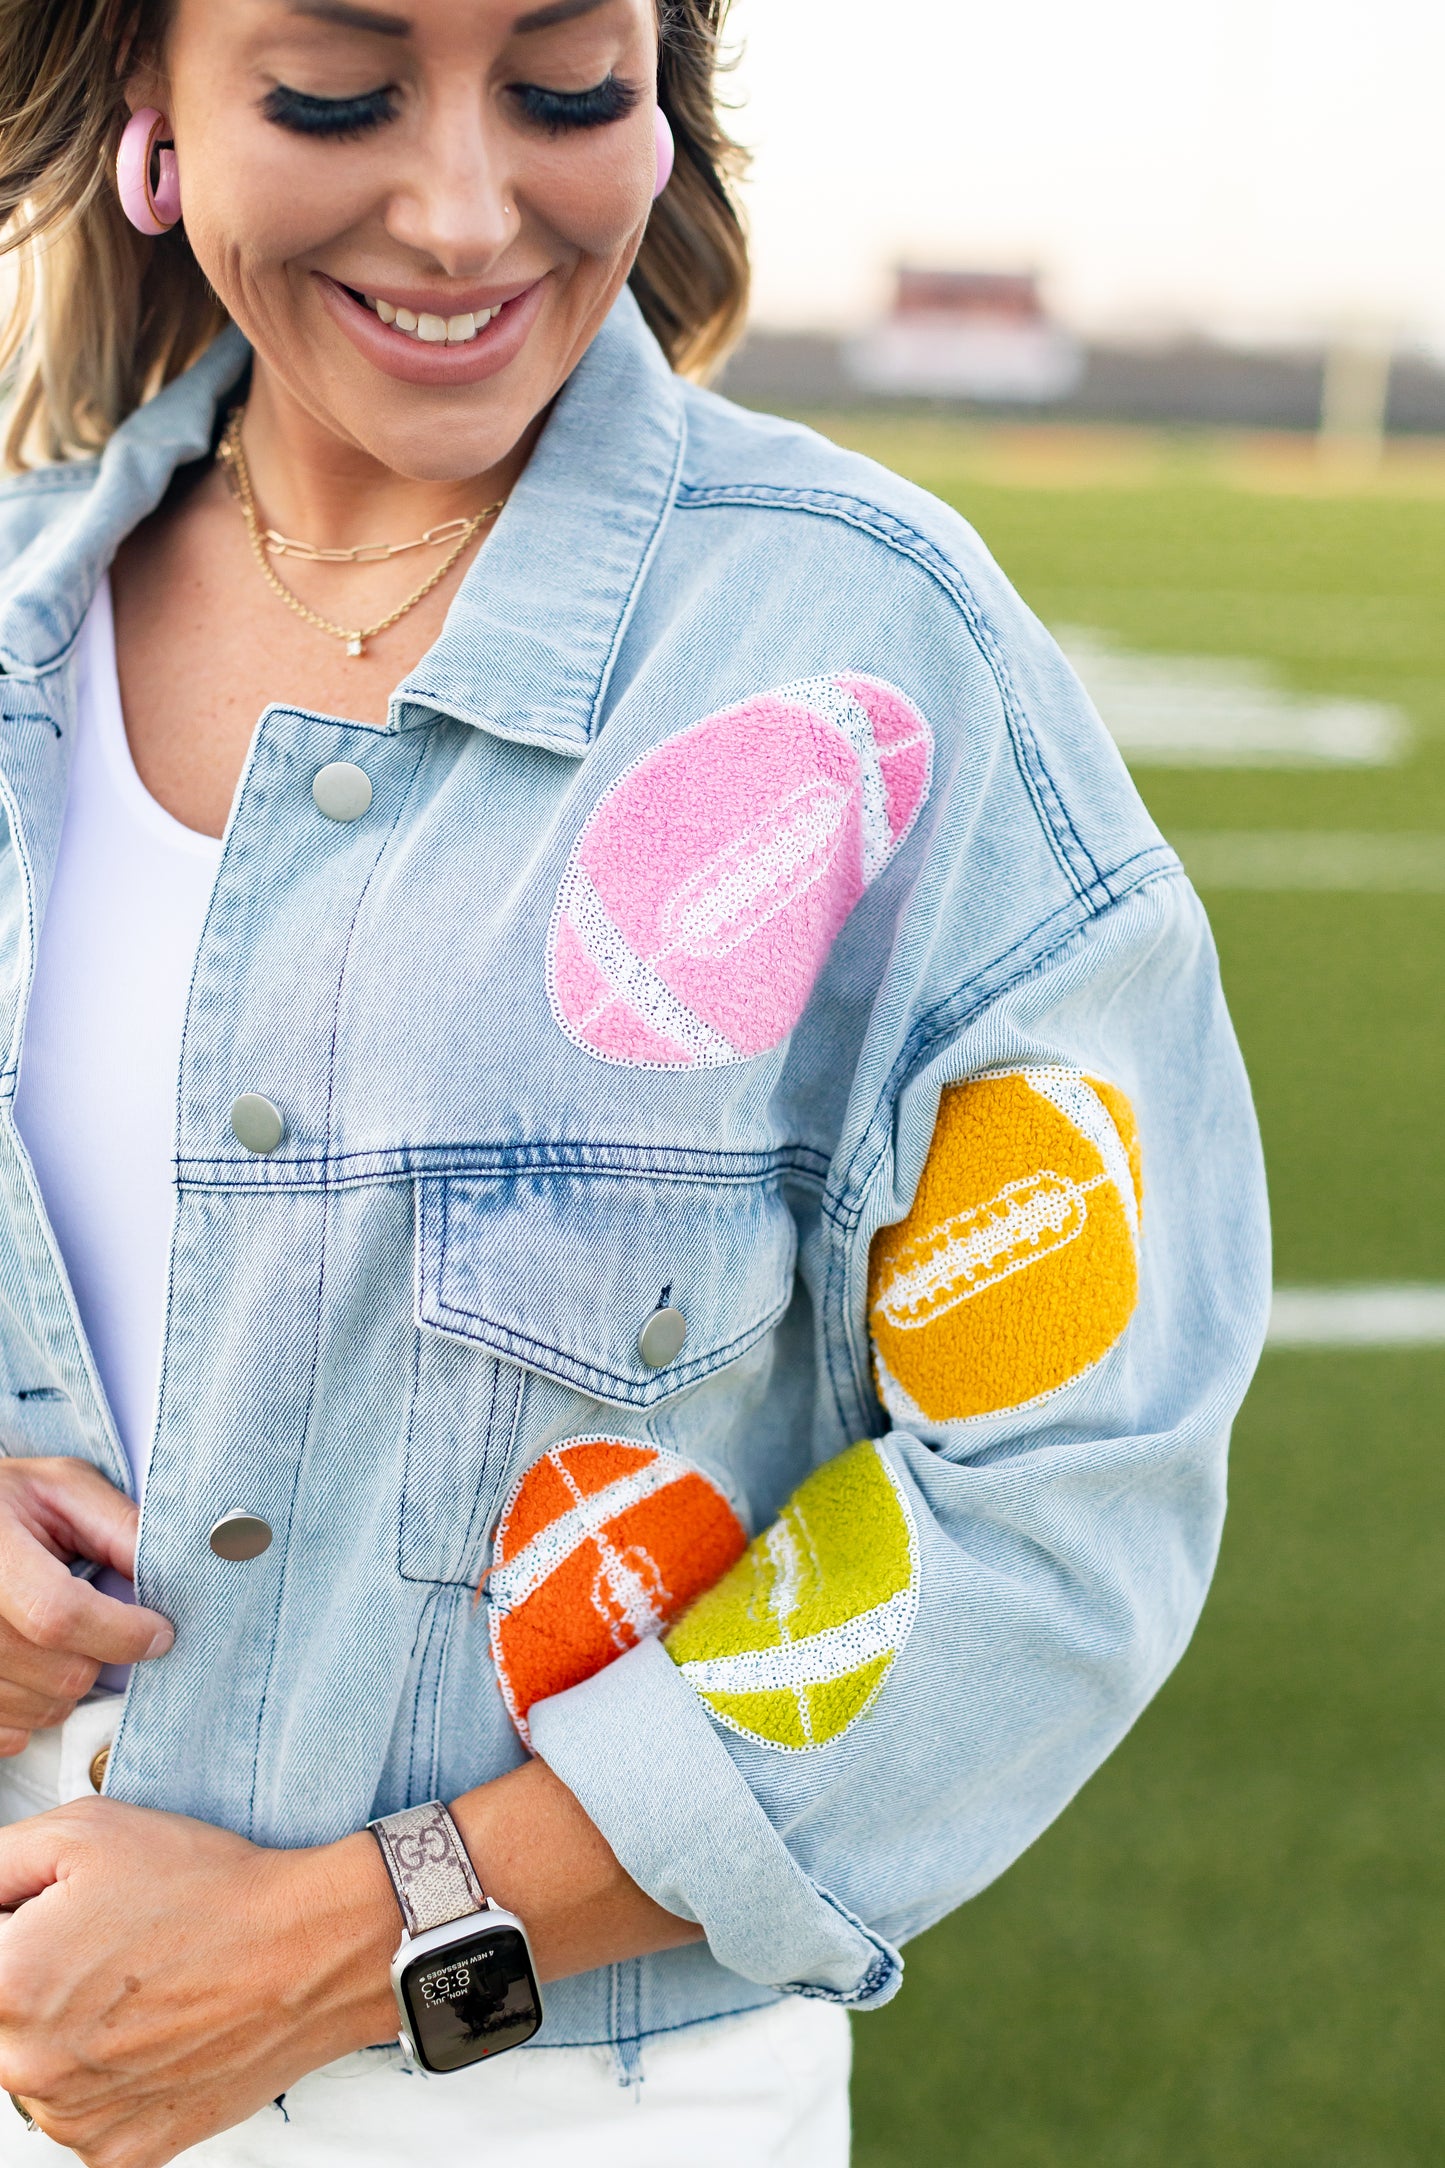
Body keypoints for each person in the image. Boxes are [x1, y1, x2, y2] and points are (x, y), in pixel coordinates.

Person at [0, 0, 1270, 2161]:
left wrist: (351, 1936)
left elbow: (1073, 1490)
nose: (473, 205)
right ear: (151, 108)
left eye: (570, 87)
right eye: (336, 92)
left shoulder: (864, 666)